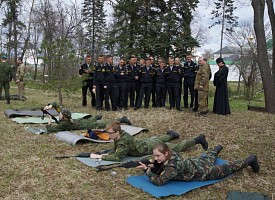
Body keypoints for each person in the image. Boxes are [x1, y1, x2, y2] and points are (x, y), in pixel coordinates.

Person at [137, 143, 259, 186]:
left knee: (229, 168)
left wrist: (147, 171)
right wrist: (153, 165)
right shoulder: (171, 154)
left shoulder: (173, 166)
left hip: (203, 173)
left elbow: (159, 182)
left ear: (166, 153)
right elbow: (161, 165)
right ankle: (216, 149)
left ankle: (250, 160)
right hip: (195, 163)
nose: (155, 158)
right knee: (209, 158)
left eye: (158, 156)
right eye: (154, 155)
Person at [90, 121, 208, 161]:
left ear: (116, 133)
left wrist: (100, 157)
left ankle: (198, 139)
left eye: (109, 133)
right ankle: (172, 134)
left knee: (176, 147)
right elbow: (115, 151)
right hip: (144, 143)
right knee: (159, 138)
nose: (108, 135)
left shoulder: (122, 142)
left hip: (148, 148)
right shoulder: (120, 135)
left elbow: (117, 157)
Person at [45, 109, 132, 133]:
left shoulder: (64, 124)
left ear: (64, 117)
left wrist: (49, 120)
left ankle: (121, 120)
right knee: (91, 120)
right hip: (82, 122)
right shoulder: (68, 120)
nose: (59, 115)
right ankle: (96, 117)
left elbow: (50, 130)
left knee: (105, 124)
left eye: (61, 115)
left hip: (85, 125)